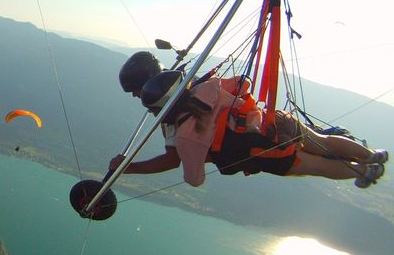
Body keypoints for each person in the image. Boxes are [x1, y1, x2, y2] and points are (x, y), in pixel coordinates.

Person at [110, 62, 387, 189]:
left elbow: (192, 177)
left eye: (139, 92)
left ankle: (365, 170)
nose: (138, 97)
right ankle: (370, 154)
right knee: (321, 141)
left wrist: (129, 167)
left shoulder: (183, 134)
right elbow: (245, 83)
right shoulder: (203, 86)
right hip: (272, 120)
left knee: (317, 166)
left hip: (260, 148)